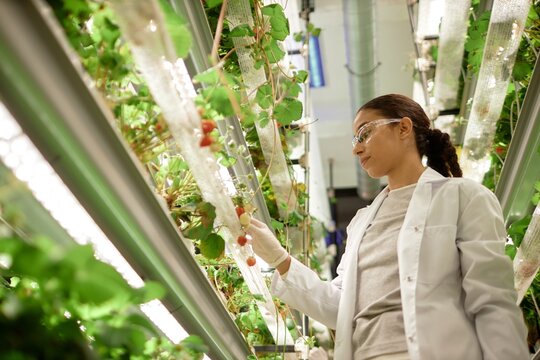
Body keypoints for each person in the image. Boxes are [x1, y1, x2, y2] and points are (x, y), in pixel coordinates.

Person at [246, 94, 529, 360]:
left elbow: (492, 300)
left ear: (403, 128)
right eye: (354, 140)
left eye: (365, 133)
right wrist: (279, 259)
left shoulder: (462, 196)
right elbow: (340, 308)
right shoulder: (361, 222)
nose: (356, 148)